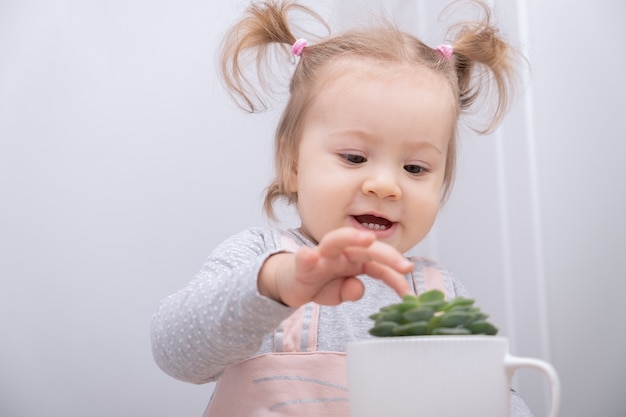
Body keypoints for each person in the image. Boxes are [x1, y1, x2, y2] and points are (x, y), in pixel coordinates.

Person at [151, 0, 532, 415]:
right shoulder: (258, 259)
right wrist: (275, 283)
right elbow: (174, 353)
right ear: (293, 164)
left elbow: (490, 397)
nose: (386, 186)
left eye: (415, 167)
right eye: (354, 158)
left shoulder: (438, 294)